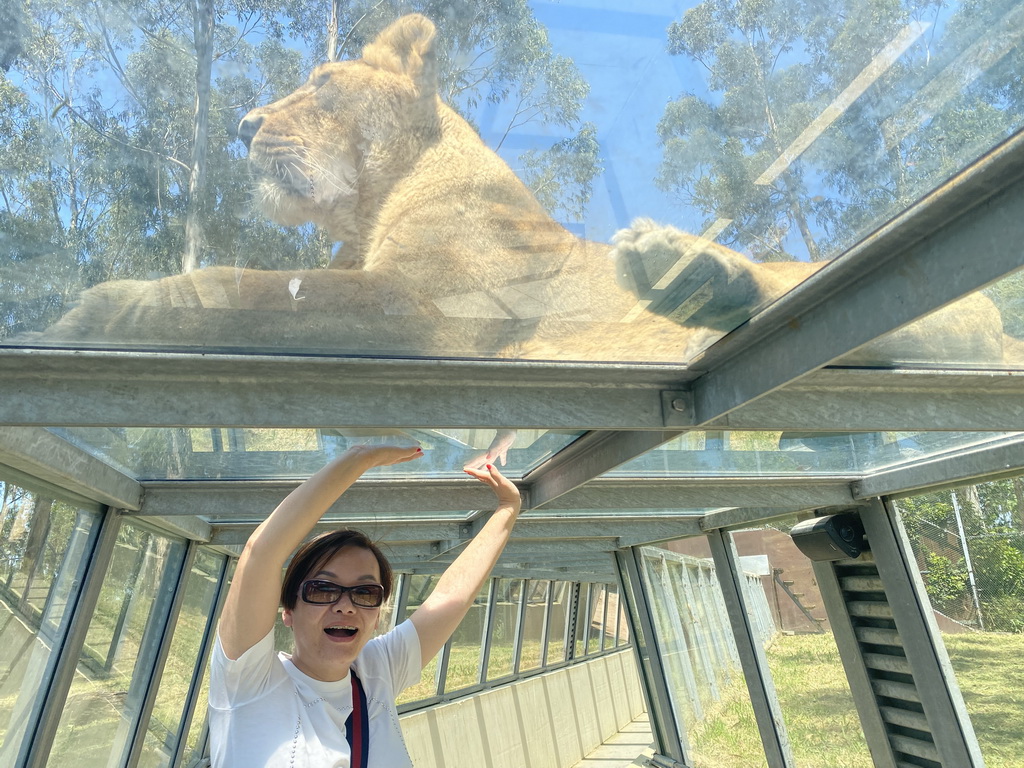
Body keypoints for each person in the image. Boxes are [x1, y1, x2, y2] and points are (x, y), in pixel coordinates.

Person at [208, 444, 522, 768]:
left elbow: (449, 598)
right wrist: (360, 458)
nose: (345, 606)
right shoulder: (249, 682)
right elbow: (260, 554)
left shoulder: (376, 672)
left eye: (365, 593)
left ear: (376, 615)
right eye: (323, 589)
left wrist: (508, 507)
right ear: (288, 610)